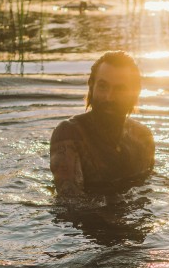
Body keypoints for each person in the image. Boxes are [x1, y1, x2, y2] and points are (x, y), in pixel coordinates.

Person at [50, 51, 154, 197]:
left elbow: (147, 190)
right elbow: (69, 203)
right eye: (103, 86)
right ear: (91, 87)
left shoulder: (143, 136)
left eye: (120, 89)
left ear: (134, 93)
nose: (109, 97)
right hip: (88, 219)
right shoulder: (69, 134)